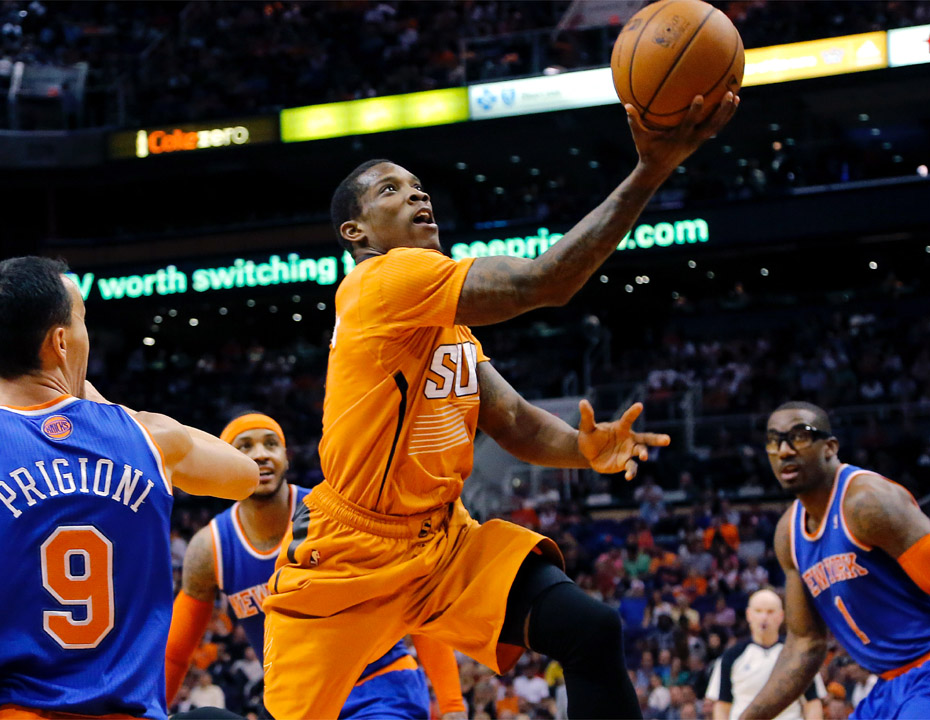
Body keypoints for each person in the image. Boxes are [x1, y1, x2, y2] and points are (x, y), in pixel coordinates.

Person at [261, 92, 739, 719]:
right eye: (391, 191)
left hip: (440, 542)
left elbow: (511, 420)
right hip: (350, 552)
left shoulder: (444, 324)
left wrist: (582, 449)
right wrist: (650, 169)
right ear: (357, 232)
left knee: (590, 629)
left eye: (420, 187)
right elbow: (545, 282)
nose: (417, 196)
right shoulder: (383, 280)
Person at [0, 256, 259, 719]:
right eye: (83, 319)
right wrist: (105, 411)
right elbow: (244, 476)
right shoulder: (150, 437)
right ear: (62, 341)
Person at [165, 413, 467, 719]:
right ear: (223, 462)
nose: (260, 454)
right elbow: (175, 655)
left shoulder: (336, 515)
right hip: (298, 706)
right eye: (244, 446)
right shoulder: (209, 549)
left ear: (286, 458)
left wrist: (452, 704)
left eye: (271, 444)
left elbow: (415, 600)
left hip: (377, 689)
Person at [739, 401, 930, 720]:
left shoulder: (867, 502)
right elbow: (805, 644)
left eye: (799, 436)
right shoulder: (788, 534)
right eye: (774, 441)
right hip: (889, 685)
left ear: (829, 447)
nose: (784, 450)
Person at [706, 588, 824, 720]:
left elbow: (812, 703)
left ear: (781, 616)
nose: (764, 617)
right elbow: (722, 706)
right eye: (758, 611)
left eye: (770, 612)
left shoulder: (798, 655)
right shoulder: (731, 656)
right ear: (748, 615)